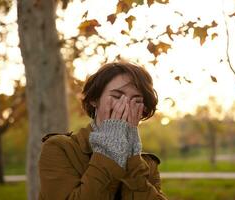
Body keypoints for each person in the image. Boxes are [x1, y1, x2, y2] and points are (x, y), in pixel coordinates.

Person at [38, 61, 168, 200]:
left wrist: (131, 158)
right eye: (116, 96)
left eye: (136, 100)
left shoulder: (146, 163)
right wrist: (111, 148)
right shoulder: (60, 148)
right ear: (94, 99)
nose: (124, 106)